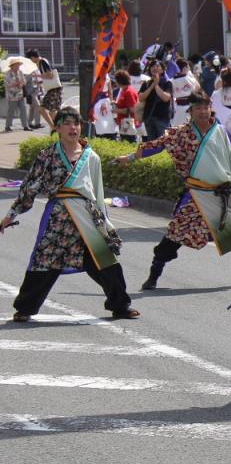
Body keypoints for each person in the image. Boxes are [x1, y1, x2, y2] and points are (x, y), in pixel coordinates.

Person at [1, 108, 139, 321]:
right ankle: (25, 308)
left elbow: (98, 193)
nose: (73, 128)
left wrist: (104, 223)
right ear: (57, 128)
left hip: (86, 216)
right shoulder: (47, 156)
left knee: (104, 260)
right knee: (45, 260)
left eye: (76, 123)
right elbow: (29, 187)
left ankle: (121, 306)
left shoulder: (91, 157)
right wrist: (12, 214)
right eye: (67, 123)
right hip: (58, 217)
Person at [116, 92, 231, 290]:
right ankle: (154, 274)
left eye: (205, 107)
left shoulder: (221, 132)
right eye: (198, 108)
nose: (203, 111)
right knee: (173, 236)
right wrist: (130, 158)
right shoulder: (179, 134)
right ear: (190, 111)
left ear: (211, 108)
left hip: (220, 196)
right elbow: (156, 145)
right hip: (195, 196)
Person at [138, 60, 173, 141]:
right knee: (151, 143)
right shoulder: (146, 83)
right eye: (152, 66)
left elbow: (166, 98)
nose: (154, 68)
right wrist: (152, 85)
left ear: (162, 70)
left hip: (162, 117)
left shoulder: (167, 83)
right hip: (149, 117)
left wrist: (156, 85)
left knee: (163, 142)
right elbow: (141, 98)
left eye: (157, 66)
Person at [26, 49, 62, 129]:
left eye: (30, 59)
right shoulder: (41, 63)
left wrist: (38, 76)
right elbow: (47, 76)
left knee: (49, 110)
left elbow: (50, 75)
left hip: (54, 89)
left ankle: (57, 127)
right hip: (52, 89)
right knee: (47, 110)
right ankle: (55, 127)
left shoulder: (43, 62)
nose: (31, 61)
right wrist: (40, 80)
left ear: (32, 57)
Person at [170, 57, 201, 126]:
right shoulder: (191, 79)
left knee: (178, 126)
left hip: (177, 107)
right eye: (188, 67)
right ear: (184, 68)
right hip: (190, 106)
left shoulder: (171, 81)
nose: (189, 69)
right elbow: (198, 88)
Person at [112, 69, 140, 141]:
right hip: (124, 123)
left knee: (128, 142)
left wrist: (116, 110)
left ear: (120, 81)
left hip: (128, 124)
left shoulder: (129, 91)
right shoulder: (125, 90)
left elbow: (132, 109)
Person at [4, 58, 29, 132]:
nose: (18, 67)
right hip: (12, 96)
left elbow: (24, 81)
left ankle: (25, 126)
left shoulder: (20, 72)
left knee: (23, 110)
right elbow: (7, 85)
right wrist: (16, 83)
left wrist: (22, 83)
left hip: (20, 95)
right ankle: (8, 126)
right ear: (12, 66)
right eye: (16, 65)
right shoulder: (8, 74)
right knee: (11, 111)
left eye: (18, 65)